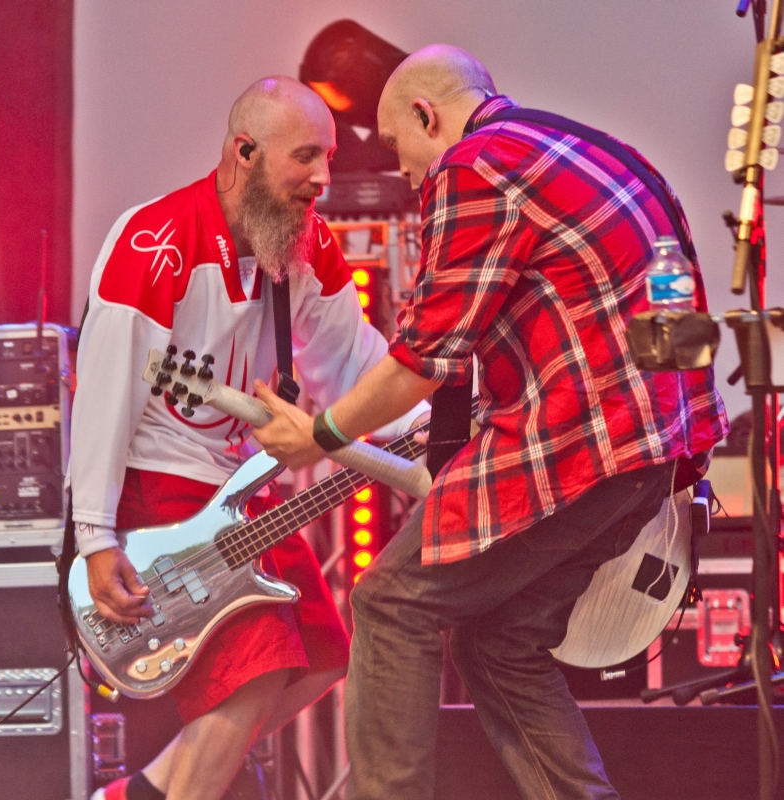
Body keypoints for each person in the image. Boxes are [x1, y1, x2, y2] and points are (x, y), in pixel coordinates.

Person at [250, 45, 729, 800]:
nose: (405, 173)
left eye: (398, 145)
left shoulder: (473, 165)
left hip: (583, 445)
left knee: (390, 603)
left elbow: (424, 357)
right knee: (499, 644)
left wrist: (321, 434)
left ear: (427, 115)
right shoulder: (597, 148)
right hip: (653, 451)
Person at [70, 76, 428, 800]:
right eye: (306, 157)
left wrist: (435, 427)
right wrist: (95, 535)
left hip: (233, 486)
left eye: (328, 157)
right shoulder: (153, 239)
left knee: (324, 658)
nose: (324, 179)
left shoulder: (307, 245)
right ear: (244, 152)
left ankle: (140, 793)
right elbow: (104, 386)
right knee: (257, 672)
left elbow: (353, 367)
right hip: (153, 486)